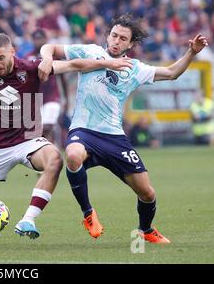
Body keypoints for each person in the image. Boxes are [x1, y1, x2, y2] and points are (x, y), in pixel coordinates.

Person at [0, 33, 133, 246]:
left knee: (55, 159)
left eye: (0, 57)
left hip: (29, 140)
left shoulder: (31, 69)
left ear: (12, 52)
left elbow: (73, 64)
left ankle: (28, 219)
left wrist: (109, 62)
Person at [40, 14, 208, 244]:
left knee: (147, 193)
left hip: (114, 137)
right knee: (72, 155)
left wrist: (192, 52)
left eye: (123, 39)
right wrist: (46, 59)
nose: (117, 41)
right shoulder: (89, 52)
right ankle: (88, 214)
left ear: (130, 44)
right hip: (84, 130)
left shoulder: (135, 68)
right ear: (108, 36)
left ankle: (146, 230)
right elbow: (49, 46)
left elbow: (171, 73)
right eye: (114, 36)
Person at [25, 29, 70, 145]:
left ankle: (49, 150)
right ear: (32, 40)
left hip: (52, 96)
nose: (38, 41)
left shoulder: (53, 57)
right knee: (33, 132)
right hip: (34, 98)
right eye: (36, 38)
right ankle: (45, 151)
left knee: (48, 125)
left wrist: (66, 98)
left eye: (41, 38)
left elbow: (63, 78)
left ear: (46, 39)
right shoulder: (27, 57)